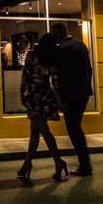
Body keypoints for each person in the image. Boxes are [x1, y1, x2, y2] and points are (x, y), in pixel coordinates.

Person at [16, 33, 68, 181]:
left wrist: (23, 94)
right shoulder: (52, 58)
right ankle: (28, 164)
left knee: (43, 131)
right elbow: (55, 80)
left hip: (33, 97)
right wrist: (58, 98)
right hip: (44, 97)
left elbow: (25, 76)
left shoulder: (33, 55)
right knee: (35, 132)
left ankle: (57, 162)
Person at [51, 23, 94, 176]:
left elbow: (61, 77)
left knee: (73, 128)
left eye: (53, 33)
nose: (52, 36)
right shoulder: (81, 45)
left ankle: (85, 166)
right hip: (83, 93)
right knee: (76, 127)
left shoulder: (62, 49)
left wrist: (61, 99)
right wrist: (86, 86)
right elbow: (89, 70)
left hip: (71, 95)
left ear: (58, 33)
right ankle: (85, 164)